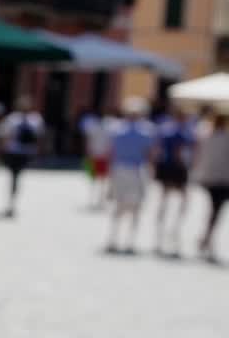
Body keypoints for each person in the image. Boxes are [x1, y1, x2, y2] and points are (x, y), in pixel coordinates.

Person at [105, 97, 157, 254]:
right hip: (135, 171)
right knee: (135, 208)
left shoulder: (116, 129)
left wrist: (110, 176)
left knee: (119, 206)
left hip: (120, 170)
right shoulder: (147, 131)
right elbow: (150, 155)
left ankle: (114, 239)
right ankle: (129, 241)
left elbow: (111, 153)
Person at [153, 109, 196, 256]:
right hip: (177, 168)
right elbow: (180, 152)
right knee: (181, 201)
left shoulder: (166, 129)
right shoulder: (183, 133)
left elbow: (158, 149)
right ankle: (172, 230)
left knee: (165, 200)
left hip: (166, 167)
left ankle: (161, 232)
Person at [0, 95, 44, 217]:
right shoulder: (13, 119)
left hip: (26, 153)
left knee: (16, 177)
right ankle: (11, 201)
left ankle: (12, 201)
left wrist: (38, 153)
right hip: (13, 152)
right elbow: (5, 136)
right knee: (14, 177)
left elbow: (39, 138)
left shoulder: (35, 119)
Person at [192, 113, 229, 263]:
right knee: (216, 211)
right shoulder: (224, 138)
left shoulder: (206, 135)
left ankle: (206, 238)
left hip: (209, 177)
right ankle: (207, 239)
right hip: (222, 179)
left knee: (213, 210)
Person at [81, 108, 117, 210]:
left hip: (103, 156)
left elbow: (111, 143)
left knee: (102, 180)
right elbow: (88, 141)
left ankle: (100, 199)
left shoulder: (111, 125)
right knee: (94, 179)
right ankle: (93, 199)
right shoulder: (93, 125)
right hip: (95, 155)